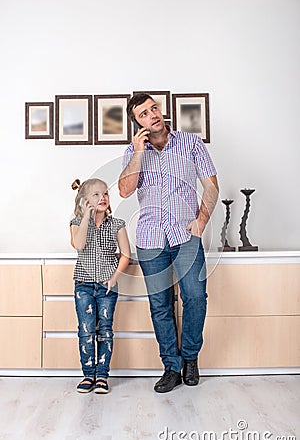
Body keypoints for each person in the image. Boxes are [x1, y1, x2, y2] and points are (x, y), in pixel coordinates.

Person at [118, 94, 219, 393]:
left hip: (185, 235)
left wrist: (200, 221)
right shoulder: (131, 152)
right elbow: (124, 190)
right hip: (150, 238)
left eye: (154, 109)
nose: (153, 115)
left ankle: (190, 359)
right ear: (137, 122)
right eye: (144, 114)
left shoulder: (191, 143)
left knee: (195, 297)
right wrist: (138, 152)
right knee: (160, 305)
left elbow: (211, 185)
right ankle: (171, 367)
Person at [70, 178, 130, 394]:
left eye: (105, 193)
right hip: (83, 285)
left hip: (106, 287)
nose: (102, 198)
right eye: (96, 194)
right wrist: (86, 215)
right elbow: (79, 245)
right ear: (85, 200)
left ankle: (102, 375)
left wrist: (114, 278)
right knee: (86, 331)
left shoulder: (117, 224)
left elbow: (125, 255)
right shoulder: (77, 223)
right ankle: (88, 375)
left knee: (105, 330)